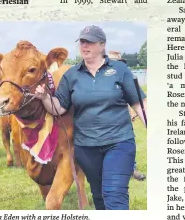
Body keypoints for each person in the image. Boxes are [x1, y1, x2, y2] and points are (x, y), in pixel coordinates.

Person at [34, 25, 145, 210]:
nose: (84, 46)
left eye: (90, 42)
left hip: (118, 142)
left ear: (102, 45)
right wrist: (45, 97)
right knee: (99, 195)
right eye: (82, 42)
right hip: (87, 147)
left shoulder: (119, 70)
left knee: (114, 193)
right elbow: (58, 108)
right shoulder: (72, 75)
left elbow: (140, 103)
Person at [107, 50, 147, 182]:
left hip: (122, 119)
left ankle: (132, 168)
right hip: (106, 120)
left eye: (119, 62)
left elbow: (131, 99)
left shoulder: (124, 76)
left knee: (128, 142)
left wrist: (131, 113)